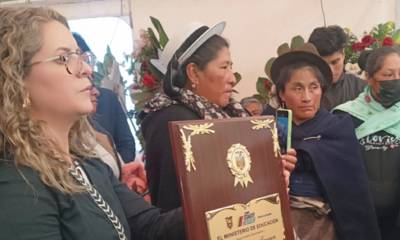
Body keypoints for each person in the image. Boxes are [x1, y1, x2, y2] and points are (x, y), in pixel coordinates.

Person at [0, 7, 184, 240]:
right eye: (63, 58)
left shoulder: (87, 163)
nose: (86, 69)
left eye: (80, 56)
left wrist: (227, 207)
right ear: (15, 79)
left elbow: (150, 227)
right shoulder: (16, 183)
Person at [141, 21, 297, 211]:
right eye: (224, 67)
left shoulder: (228, 113)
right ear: (193, 73)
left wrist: (273, 171)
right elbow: (178, 203)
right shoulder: (172, 121)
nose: (232, 78)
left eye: (231, 67)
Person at [268, 43, 380, 239]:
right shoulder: (266, 130)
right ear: (282, 94)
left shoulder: (338, 128)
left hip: (323, 226)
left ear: (322, 89)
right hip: (274, 223)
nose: (307, 97)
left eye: (314, 87)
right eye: (297, 88)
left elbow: (353, 195)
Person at [334, 46, 400, 240]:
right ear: (369, 77)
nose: (396, 80)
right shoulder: (345, 116)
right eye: (388, 74)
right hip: (359, 219)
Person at [73, 32, 136, 163]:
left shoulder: (108, 98)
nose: (86, 68)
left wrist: (116, 171)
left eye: (87, 60)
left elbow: (127, 145)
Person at [308, 25, 366, 110]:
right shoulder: (304, 93)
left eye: (335, 62)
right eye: (323, 64)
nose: (330, 70)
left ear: (343, 54)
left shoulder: (361, 88)